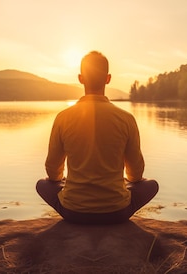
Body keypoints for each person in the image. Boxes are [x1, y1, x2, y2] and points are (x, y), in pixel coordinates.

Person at [36, 51, 159, 225]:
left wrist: (66, 182)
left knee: (42, 184)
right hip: (116, 212)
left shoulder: (63, 117)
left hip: (73, 211)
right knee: (151, 185)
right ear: (108, 79)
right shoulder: (126, 119)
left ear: (80, 78)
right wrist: (120, 183)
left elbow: (52, 170)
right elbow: (136, 174)